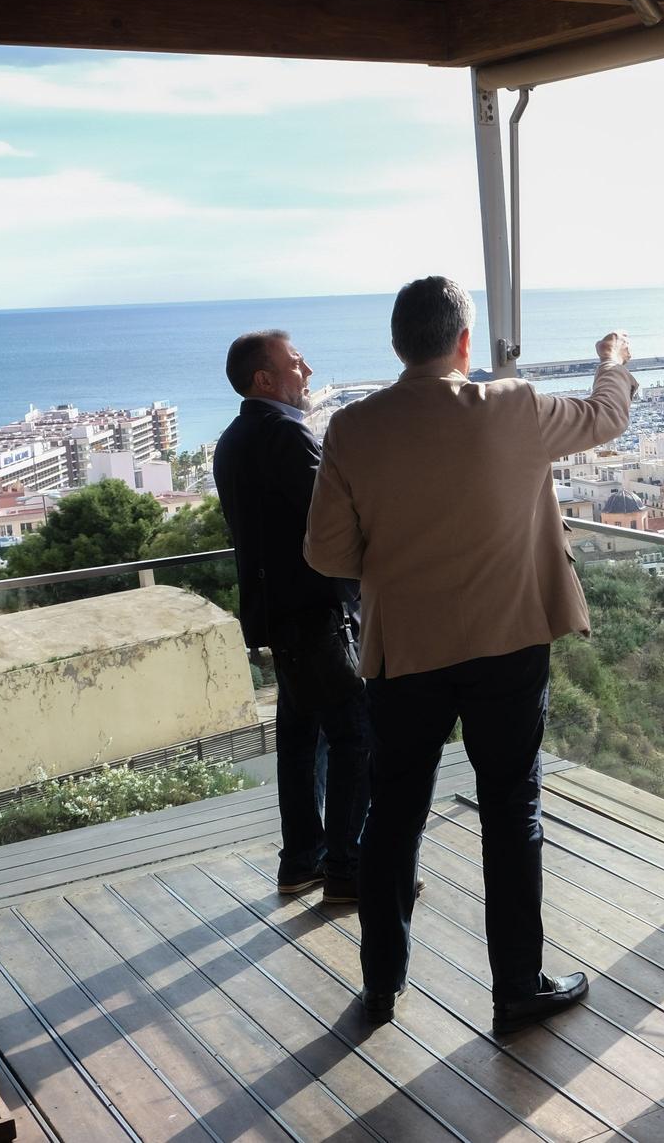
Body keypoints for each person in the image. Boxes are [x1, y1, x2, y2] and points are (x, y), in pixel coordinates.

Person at [305, 276, 636, 1035]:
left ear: (398, 346)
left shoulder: (354, 430)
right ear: (463, 343)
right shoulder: (512, 406)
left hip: (408, 646)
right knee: (510, 804)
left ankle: (382, 984)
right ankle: (518, 983)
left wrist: (393, 562)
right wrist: (613, 357)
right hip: (508, 638)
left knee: (395, 812)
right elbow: (607, 415)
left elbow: (326, 552)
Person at [214, 331, 369, 901]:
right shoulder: (284, 434)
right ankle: (349, 868)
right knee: (358, 734)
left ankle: (303, 857)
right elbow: (330, 519)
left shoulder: (233, 438)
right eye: (296, 362)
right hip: (312, 610)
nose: (307, 369)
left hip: (277, 613)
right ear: (265, 379)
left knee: (303, 737)